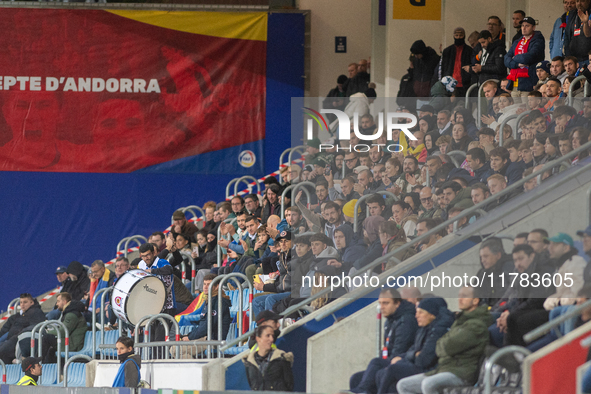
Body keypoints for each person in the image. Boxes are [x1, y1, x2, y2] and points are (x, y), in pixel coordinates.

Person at [397, 286, 493, 394]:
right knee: (404, 385)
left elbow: (447, 346)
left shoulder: (477, 325)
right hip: (444, 369)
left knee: (429, 384)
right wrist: (443, 344)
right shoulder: (460, 321)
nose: (459, 299)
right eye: (459, 296)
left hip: (461, 373)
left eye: (464, 296)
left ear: (475, 300)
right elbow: (442, 345)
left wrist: (443, 345)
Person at [375, 297, 454, 394]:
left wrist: (412, 356)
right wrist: (409, 356)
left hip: (430, 369)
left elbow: (424, 360)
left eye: (420, 312)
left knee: (393, 369)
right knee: (380, 372)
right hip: (416, 364)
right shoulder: (422, 329)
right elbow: (413, 350)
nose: (416, 316)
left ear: (431, 314)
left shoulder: (438, 330)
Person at [349, 288, 418, 394]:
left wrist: (383, 363)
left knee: (376, 363)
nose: (381, 307)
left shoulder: (406, 320)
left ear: (397, 303)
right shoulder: (391, 320)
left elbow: (399, 351)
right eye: (380, 303)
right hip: (390, 360)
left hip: (404, 362)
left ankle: (362, 391)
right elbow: (387, 347)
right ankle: (360, 390)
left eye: (386, 303)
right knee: (356, 378)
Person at [243, 325, 294, 391]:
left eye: (272, 336)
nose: (271, 339)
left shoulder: (281, 358)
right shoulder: (250, 362)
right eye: (268, 336)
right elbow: (252, 384)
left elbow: (289, 385)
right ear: (258, 338)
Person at [504, 16, 546, 98]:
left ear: (533, 27)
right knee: (516, 110)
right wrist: (517, 64)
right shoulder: (517, 41)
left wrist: (514, 58)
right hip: (515, 84)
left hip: (529, 83)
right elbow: (506, 59)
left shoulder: (538, 39)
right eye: (522, 25)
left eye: (527, 26)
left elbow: (529, 57)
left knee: (527, 109)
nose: (524, 28)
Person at [0, 293, 46, 364]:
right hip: (11, 340)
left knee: (2, 352)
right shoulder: (16, 316)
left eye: (25, 302)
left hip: (21, 340)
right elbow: (4, 330)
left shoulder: (36, 312)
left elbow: (35, 327)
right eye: (21, 302)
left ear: (32, 303)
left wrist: (17, 337)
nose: (22, 304)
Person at [441, 27, 472, 97]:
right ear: (453, 36)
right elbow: (443, 67)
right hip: (449, 83)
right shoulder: (447, 51)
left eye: (461, 35)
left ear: (464, 36)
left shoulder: (469, 51)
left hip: (465, 83)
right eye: (456, 35)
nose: (458, 37)